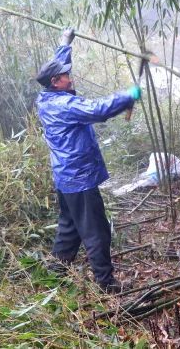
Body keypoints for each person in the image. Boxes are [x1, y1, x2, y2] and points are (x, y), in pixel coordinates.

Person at [35, 28, 141, 293]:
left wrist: (64, 43)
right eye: (66, 76)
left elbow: (56, 68)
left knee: (69, 230)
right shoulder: (64, 106)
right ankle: (107, 285)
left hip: (66, 178)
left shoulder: (47, 98)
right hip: (79, 180)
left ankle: (54, 277)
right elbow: (98, 110)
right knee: (97, 232)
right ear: (56, 81)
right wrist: (129, 95)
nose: (71, 78)